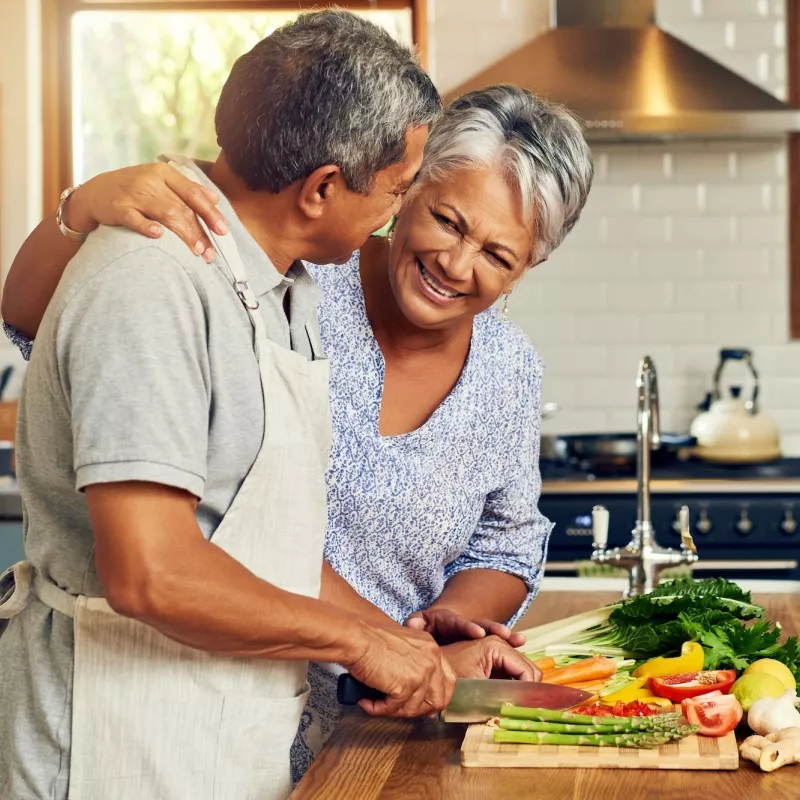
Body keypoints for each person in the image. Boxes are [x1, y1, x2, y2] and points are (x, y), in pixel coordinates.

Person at [0, 12, 541, 800]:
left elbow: (257, 541)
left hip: (216, 733)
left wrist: (410, 650)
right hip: (108, 741)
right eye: (396, 194)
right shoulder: (151, 282)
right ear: (323, 187)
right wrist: (362, 643)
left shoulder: (283, 290)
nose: (394, 220)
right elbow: (151, 573)